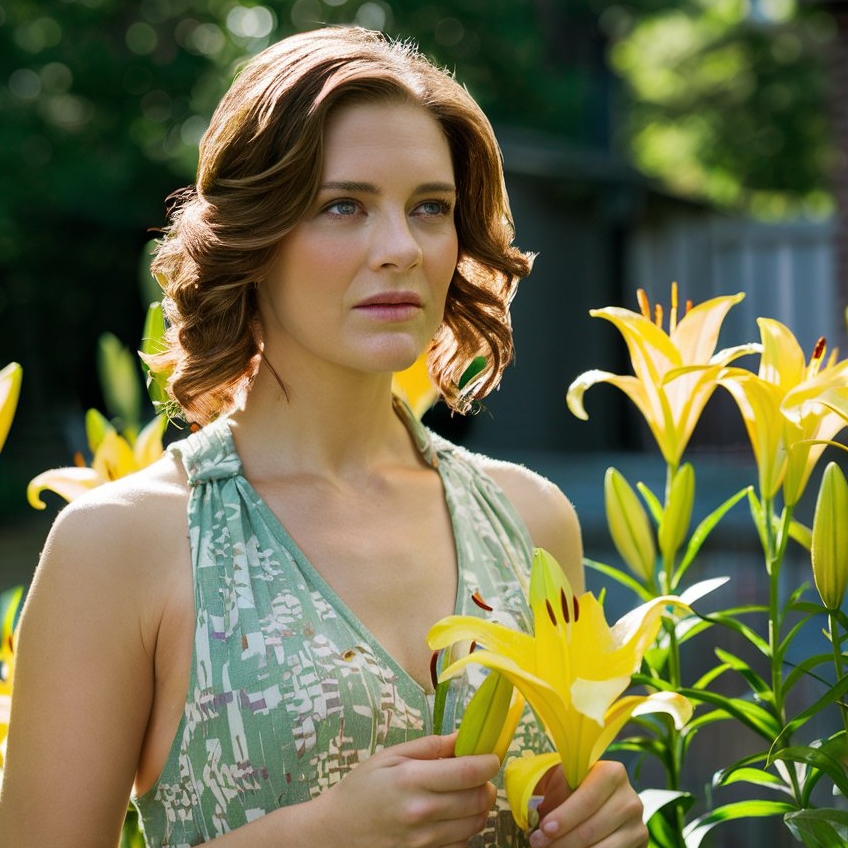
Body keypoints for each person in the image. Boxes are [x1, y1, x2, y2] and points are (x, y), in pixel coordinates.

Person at [0, 26, 648, 848]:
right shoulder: (121, 543)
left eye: (430, 209)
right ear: (252, 237)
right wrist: (322, 834)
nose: (400, 249)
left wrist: (604, 829)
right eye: (343, 205)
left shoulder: (533, 524)